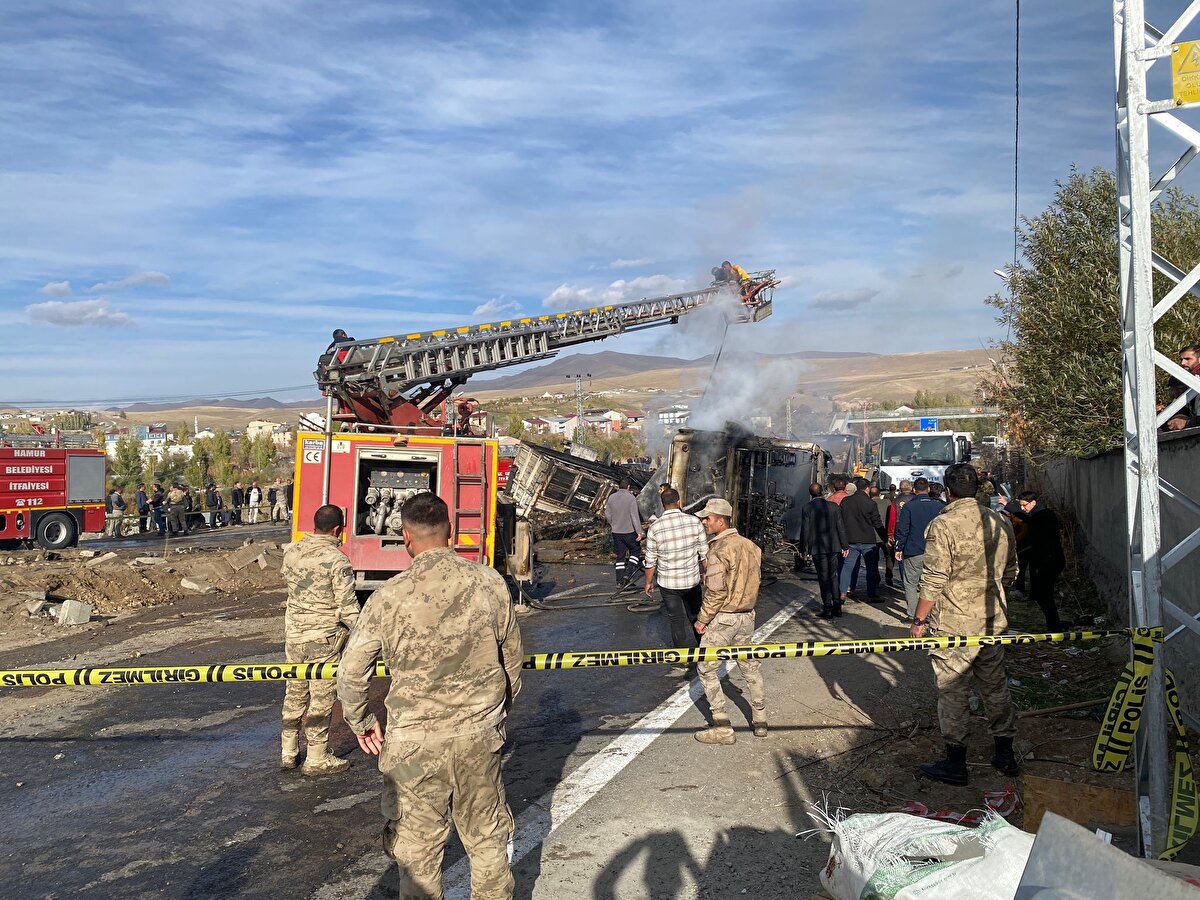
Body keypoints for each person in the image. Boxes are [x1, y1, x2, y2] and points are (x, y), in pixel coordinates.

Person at [337, 493, 523, 899]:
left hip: (413, 748)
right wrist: (495, 713)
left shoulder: (388, 596)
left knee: (417, 856)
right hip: (478, 736)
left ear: (405, 537)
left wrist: (362, 722)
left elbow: (351, 673)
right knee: (488, 840)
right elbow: (512, 662)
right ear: (450, 531)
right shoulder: (489, 582)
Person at [911, 464, 1020, 786]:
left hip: (954, 625)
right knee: (995, 685)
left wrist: (918, 620)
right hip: (992, 620)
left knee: (953, 689)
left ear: (948, 490)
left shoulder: (943, 525)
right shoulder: (1000, 521)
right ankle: (1005, 754)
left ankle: (956, 762)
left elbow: (933, 579)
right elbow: (1011, 571)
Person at [280, 504, 360, 776]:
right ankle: (316, 756)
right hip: (324, 638)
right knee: (321, 697)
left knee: (294, 691)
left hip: (294, 635)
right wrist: (368, 636)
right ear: (338, 529)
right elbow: (348, 607)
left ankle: (288, 751)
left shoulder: (291, 551)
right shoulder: (336, 560)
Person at [692, 498, 767, 744]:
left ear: (721, 521)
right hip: (747, 615)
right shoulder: (752, 547)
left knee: (706, 668)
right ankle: (760, 721)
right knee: (749, 667)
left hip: (724, 618)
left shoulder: (720, 550)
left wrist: (702, 619)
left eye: (708, 518)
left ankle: (722, 727)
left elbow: (715, 591)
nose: (704, 522)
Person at [642, 486, 709, 666]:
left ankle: (681, 659)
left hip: (668, 584)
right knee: (696, 615)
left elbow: (651, 561)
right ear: (679, 502)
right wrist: (707, 575)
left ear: (663, 505)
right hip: (691, 581)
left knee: (676, 619)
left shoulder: (655, 528)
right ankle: (704, 653)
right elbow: (704, 554)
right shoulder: (694, 522)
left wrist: (648, 582)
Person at [997, 490, 1068, 630]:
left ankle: (1054, 626)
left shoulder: (1044, 515)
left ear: (1033, 503)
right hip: (1044, 560)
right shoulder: (1038, 514)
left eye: (1024, 505)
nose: (1023, 508)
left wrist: (1009, 505)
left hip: (1050, 561)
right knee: (1042, 594)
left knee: (1044, 594)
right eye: (1021, 505)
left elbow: (1028, 518)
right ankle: (1054, 623)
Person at [894, 477, 945, 622]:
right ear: (928, 489)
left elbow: (903, 530)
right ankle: (931, 613)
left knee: (910, 583)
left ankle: (913, 615)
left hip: (914, 550)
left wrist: (899, 548)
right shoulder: (938, 507)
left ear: (913, 490)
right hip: (935, 551)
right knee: (931, 583)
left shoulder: (909, 507)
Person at [799, 483, 849, 618]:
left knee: (823, 577)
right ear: (822, 492)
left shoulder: (807, 508)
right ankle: (837, 607)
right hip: (833, 546)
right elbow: (841, 527)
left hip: (817, 547)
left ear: (811, 494)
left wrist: (802, 548)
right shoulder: (833, 507)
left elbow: (805, 529)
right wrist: (845, 546)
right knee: (833, 576)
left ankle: (827, 608)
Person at [839, 477, 886, 603]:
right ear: (867, 488)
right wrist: (885, 538)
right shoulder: (871, 503)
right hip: (868, 540)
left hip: (850, 540)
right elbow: (877, 523)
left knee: (847, 567)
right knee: (871, 568)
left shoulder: (846, 501)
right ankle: (871, 594)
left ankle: (842, 593)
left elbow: (841, 521)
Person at [603, 477, 643, 585]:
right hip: (629, 531)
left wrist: (613, 524)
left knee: (620, 556)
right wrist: (639, 532)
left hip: (616, 532)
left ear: (619, 486)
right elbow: (634, 517)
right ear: (628, 487)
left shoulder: (611, 497)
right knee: (635, 551)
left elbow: (607, 514)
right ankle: (628, 573)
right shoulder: (631, 498)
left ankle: (619, 581)